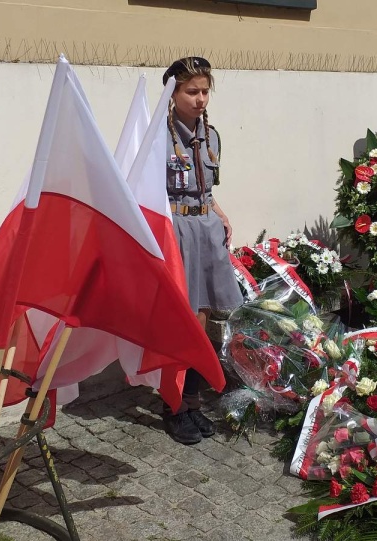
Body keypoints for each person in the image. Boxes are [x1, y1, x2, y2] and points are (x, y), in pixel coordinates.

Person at [161, 57, 243, 444]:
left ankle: (192, 402)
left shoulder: (211, 135)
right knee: (184, 320)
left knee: (207, 317)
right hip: (176, 230)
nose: (200, 99)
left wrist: (220, 213)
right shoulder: (156, 137)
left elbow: (207, 187)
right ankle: (174, 406)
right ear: (172, 94)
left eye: (205, 91)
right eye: (191, 91)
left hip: (206, 228)